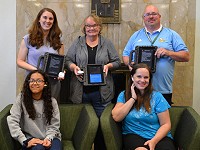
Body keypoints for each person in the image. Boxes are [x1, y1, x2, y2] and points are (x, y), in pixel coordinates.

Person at [65, 14, 121, 149]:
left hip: (101, 94)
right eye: (88, 26)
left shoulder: (106, 43)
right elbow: (68, 60)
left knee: (102, 127)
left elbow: (117, 61)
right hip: (80, 92)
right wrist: (74, 68)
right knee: (83, 127)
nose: (91, 28)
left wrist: (108, 66)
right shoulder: (77, 42)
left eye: (94, 25)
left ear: (99, 27)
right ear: (84, 28)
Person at [122, 5, 189, 105]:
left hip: (162, 89)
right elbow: (126, 55)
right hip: (139, 89)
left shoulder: (171, 34)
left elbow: (186, 56)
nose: (151, 17)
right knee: (138, 119)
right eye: (148, 14)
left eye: (154, 14)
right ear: (143, 18)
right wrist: (130, 64)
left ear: (160, 16)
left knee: (161, 119)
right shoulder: (136, 35)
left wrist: (168, 52)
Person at [112, 63, 176, 150]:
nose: (142, 80)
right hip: (134, 135)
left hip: (158, 136)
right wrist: (133, 99)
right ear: (132, 77)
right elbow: (116, 117)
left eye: (146, 77)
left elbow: (166, 124)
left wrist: (153, 141)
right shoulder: (124, 95)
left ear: (149, 79)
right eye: (139, 76)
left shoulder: (157, 97)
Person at [17, 8, 64, 102]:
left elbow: (61, 63)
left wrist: (62, 73)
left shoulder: (59, 41)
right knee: (32, 111)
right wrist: (37, 70)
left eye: (51, 19)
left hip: (52, 83)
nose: (47, 21)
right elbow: (19, 61)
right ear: (39, 19)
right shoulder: (28, 39)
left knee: (50, 110)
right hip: (34, 82)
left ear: (54, 22)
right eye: (45, 17)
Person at [7, 70, 61, 150]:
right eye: (32, 80)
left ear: (45, 84)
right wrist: (24, 141)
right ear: (28, 83)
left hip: (51, 137)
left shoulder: (52, 102)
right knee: (38, 149)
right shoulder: (21, 99)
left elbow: (54, 125)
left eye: (39, 80)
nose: (35, 83)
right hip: (30, 138)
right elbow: (12, 120)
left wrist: (48, 138)